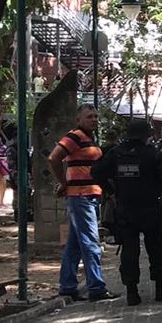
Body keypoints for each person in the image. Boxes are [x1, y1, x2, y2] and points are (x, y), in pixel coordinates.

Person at [91, 120, 162, 306]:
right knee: (155, 247)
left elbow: (96, 172)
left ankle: (132, 291)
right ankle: (160, 288)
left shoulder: (116, 154)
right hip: (150, 207)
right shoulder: (153, 154)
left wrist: (111, 192)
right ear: (147, 134)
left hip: (125, 208)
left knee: (129, 250)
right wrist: (156, 187)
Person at [48, 104, 119, 302]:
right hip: (81, 196)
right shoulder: (74, 137)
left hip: (89, 194)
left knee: (75, 245)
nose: (94, 120)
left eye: (96, 116)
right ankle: (96, 287)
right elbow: (54, 158)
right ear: (78, 120)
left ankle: (68, 286)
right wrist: (63, 182)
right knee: (90, 242)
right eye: (89, 117)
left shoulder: (90, 139)